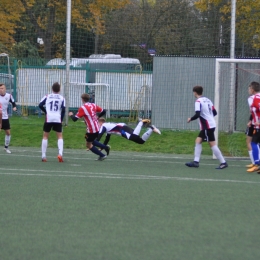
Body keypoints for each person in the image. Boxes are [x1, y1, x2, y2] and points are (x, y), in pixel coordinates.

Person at [185, 85, 228, 169]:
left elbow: (197, 114)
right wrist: (208, 116)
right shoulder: (208, 100)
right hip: (211, 124)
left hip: (207, 126)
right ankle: (196, 161)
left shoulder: (198, 101)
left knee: (212, 144)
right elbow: (214, 112)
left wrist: (190, 119)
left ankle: (223, 162)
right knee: (198, 141)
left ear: (195, 92)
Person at [68, 93, 110, 161]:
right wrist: (98, 116)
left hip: (91, 130)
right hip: (97, 127)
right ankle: (105, 147)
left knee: (88, 145)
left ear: (82, 99)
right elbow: (103, 111)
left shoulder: (83, 108)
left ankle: (102, 155)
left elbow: (75, 119)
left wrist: (71, 115)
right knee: (91, 141)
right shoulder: (93, 105)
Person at [39, 82, 65, 162]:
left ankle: (43, 156)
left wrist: (46, 111)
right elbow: (63, 109)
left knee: (45, 136)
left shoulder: (47, 96)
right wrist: (61, 119)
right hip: (57, 118)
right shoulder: (62, 98)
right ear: (59, 89)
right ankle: (60, 153)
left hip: (49, 118)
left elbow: (40, 105)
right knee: (60, 136)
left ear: (52, 89)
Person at [96, 117, 161, 146]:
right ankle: (151, 128)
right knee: (141, 141)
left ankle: (141, 122)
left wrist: (93, 144)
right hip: (123, 128)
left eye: (97, 123)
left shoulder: (103, 126)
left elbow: (99, 136)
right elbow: (107, 139)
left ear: (101, 122)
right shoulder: (106, 128)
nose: (97, 125)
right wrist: (102, 148)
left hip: (122, 129)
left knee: (134, 136)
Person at [246, 81, 260, 173]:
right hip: (256, 125)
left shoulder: (255, 98)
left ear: (253, 89)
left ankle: (257, 164)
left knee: (254, 143)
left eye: (249, 88)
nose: (249, 90)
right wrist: (251, 120)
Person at [0, 83, 17, 153]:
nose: (1, 90)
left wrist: (14, 107)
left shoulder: (9, 96)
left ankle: (6, 147)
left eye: (2, 88)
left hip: (5, 117)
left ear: (5, 89)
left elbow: (13, 102)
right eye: (0, 88)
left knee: (8, 133)